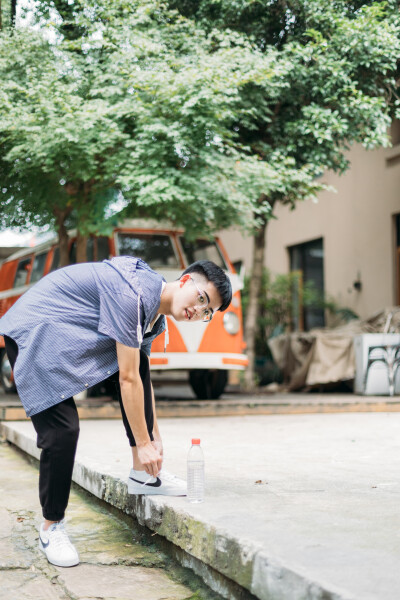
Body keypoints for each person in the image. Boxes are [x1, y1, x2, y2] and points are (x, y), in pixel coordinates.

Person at [0, 255, 232, 568]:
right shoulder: (132, 294)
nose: (198, 311)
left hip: (58, 331)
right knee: (62, 430)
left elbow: (139, 377)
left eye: (208, 312)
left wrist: (154, 438)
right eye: (202, 299)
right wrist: (145, 443)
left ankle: (143, 475)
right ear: (187, 281)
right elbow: (126, 379)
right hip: (36, 331)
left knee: (140, 363)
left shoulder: (153, 312)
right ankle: (51, 526)